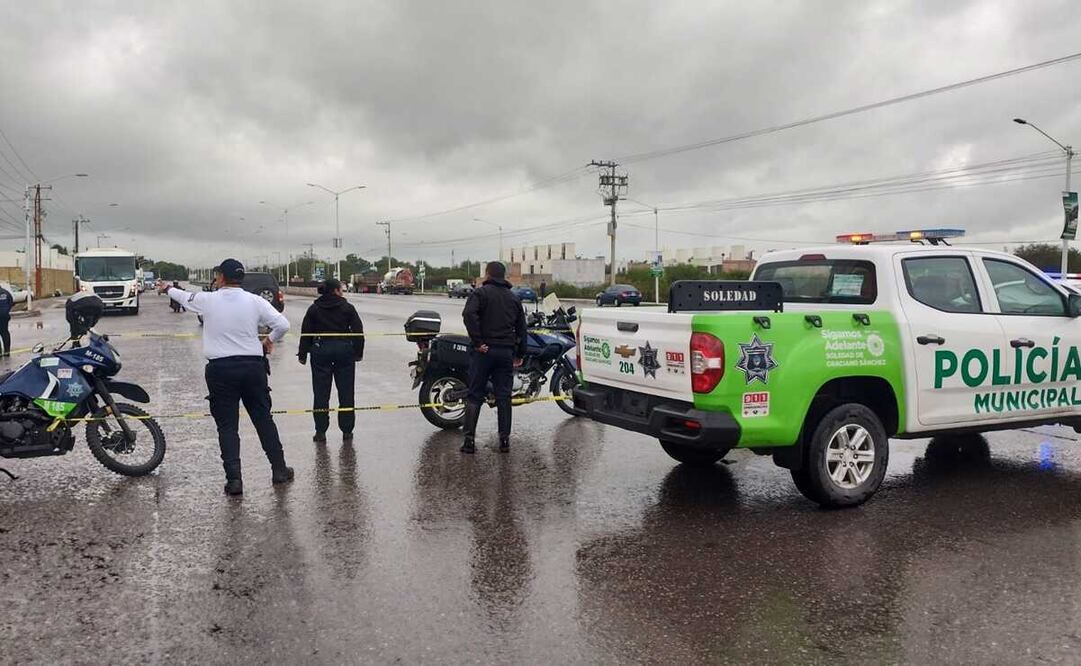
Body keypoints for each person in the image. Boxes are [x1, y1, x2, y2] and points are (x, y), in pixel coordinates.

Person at [160, 259, 293, 496]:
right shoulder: (255, 301)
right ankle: (279, 470)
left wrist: (167, 288)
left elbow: (183, 297)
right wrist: (269, 340)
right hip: (253, 368)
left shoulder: (208, 300)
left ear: (221, 277)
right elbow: (283, 324)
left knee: (227, 426)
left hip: (221, 370)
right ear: (240, 278)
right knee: (263, 419)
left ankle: (234, 481)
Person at [461, 261, 526, 454]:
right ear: (503, 275)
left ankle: (469, 442)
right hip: (505, 353)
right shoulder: (514, 299)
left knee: (475, 395)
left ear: (488, 274)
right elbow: (522, 329)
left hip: (484, 352)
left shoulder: (479, 294)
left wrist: (478, 341)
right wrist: (520, 353)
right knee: (504, 397)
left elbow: (468, 314)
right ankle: (504, 441)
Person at [297, 278, 364, 443]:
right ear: (335, 290)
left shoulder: (314, 309)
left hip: (321, 350)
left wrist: (303, 354)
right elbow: (358, 332)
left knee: (320, 393)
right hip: (344, 350)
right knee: (346, 392)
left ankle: (320, 431)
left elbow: (306, 332)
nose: (342, 292)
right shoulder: (348, 308)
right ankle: (347, 431)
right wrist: (358, 353)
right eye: (340, 289)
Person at [0, 283, 11, 358]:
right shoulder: (6, 292)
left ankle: (0, 352)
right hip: (4, 316)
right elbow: (11, 302)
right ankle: (7, 351)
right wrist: (6, 311)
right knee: (5, 332)